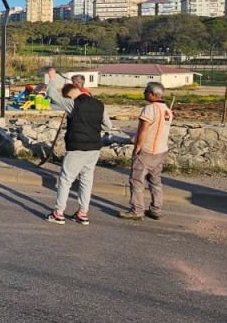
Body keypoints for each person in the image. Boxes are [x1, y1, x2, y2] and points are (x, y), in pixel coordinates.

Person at [45, 68, 112, 225]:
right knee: (86, 180)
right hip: (94, 147)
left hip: (77, 147)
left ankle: (58, 213)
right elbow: (108, 125)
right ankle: (83, 213)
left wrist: (52, 78)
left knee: (65, 180)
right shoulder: (99, 105)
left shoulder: (72, 104)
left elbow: (51, 94)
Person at [120, 81, 174, 220]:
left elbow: (144, 129)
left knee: (136, 180)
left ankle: (137, 210)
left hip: (147, 150)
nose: (144, 93)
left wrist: (137, 147)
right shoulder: (167, 110)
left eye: (145, 91)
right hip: (161, 151)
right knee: (155, 180)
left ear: (153, 94)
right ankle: (156, 208)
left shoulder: (150, 109)